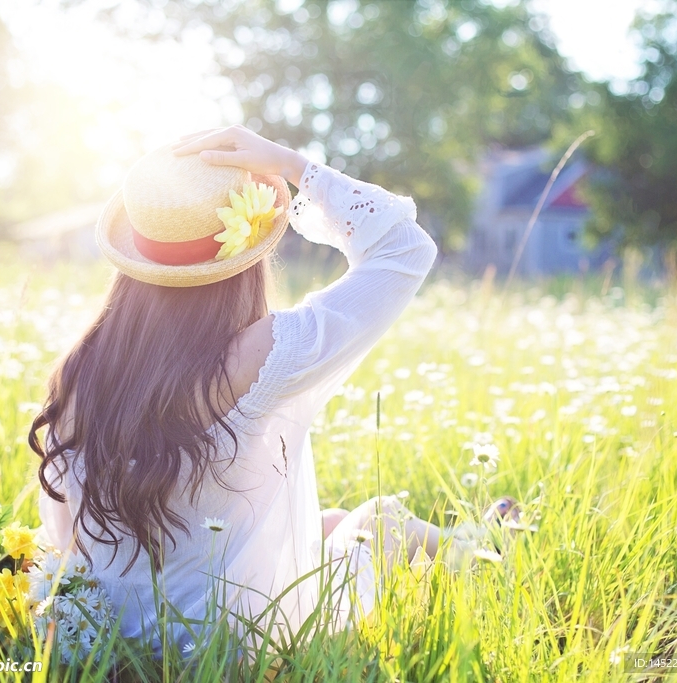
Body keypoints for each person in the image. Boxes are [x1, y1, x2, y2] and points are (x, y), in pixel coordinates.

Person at [28, 125, 515, 657]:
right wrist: (294, 166)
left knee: (326, 523)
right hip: (236, 642)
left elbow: (65, 531)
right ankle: (483, 549)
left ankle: (476, 540)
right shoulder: (259, 355)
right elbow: (404, 249)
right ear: (245, 256)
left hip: (112, 633)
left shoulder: (79, 368)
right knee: (380, 520)